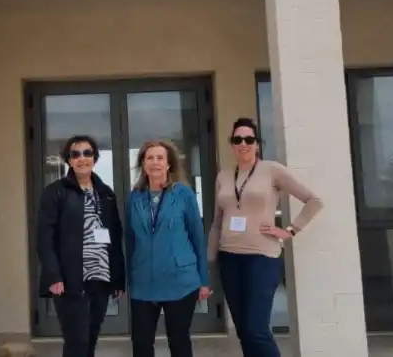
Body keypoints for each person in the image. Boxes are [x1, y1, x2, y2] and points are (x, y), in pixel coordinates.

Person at [208, 118, 324, 357]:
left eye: (249, 139)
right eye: (237, 139)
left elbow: (314, 201)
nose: (243, 144)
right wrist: (209, 262)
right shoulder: (224, 176)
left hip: (261, 257)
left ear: (257, 144)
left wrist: (290, 230)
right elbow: (217, 222)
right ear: (231, 144)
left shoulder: (272, 170)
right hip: (229, 258)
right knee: (243, 331)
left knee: (256, 329)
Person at [36, 134, 126, 357]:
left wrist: (118, 277)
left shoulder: (105, 194)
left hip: (100, 278)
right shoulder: (56, 192)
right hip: (70, 280)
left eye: (87, 153)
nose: (81, 158)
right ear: (68, 160)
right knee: (76, 342)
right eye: (75, 154)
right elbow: (44, 238)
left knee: (90, 340)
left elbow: (115, 237)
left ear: (95, 158)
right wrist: (54, 276)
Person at [125, 140, 211, 357]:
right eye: (150, 158)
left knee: (179, 341)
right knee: (141, 343)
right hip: (144, 282)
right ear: (143, 164)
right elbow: (129, 240)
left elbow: (197, 237)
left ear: (169, 164)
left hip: (180, 280)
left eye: (160, 158)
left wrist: (203, 280)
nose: (155, 162)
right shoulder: (134, 197)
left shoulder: (184, 194)